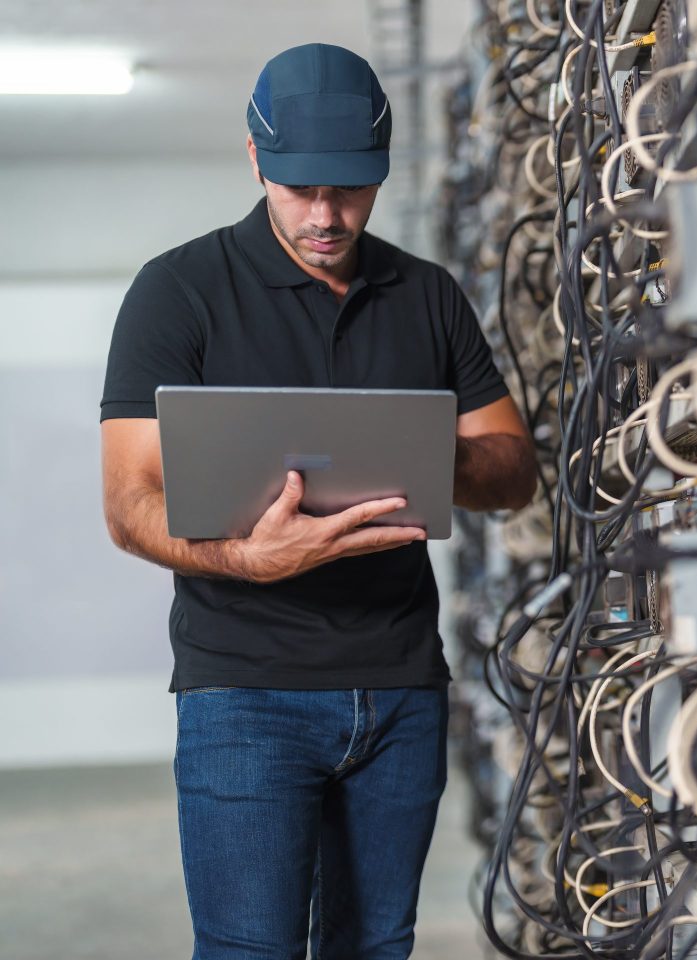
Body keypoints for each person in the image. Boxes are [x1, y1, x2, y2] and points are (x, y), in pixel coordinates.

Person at [98, 43, 536, 959]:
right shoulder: (178, 293)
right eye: (301, 189)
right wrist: (246, 560)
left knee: (376, 946)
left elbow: (512, 466)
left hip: (401, 688)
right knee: (249, 950)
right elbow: (131, 504)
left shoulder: (426, 295)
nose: (327, 216)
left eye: (350, 189)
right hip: (245, 693)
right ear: (256, 160)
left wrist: (427, 460)